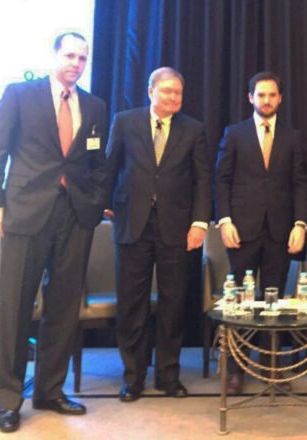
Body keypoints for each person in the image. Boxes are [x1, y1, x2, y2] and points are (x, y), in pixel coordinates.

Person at [0, 32, 109, 433]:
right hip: (25, 212)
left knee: (64, 307)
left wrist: (94, 202)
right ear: (54, 56)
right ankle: (9, 400)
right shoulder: (19, 95)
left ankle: (50, 390)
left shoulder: (94, 105)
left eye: (82, 58)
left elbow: (97, 162)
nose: (75, 64)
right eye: (69, 55)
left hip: (75, 216)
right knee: (16, 307)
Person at [105, 67, 211, 402]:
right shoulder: (125, 122)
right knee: (131, 304)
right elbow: (110, 166)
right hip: (132, 224)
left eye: (178, 92)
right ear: (150, 91)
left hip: (176, 228)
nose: (173, 97)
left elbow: (202, 180)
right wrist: (103, 204)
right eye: (167, 91)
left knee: (173, 304)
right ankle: (133, 377)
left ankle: (168, 376)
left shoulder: (193, 129)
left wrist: (199, 223)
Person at [214, 71, 307, 394]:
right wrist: (224, 220)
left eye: (272, 95)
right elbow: (221, 180)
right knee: (241, 302)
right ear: (250, 98)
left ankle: (272, 366)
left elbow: (299, 183)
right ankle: (237, 370)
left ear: (280, 99)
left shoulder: (293, 137)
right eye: (261, 95)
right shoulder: (234, 134)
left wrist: (300, 224)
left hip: (280, 231)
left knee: (274, 301)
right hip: (242, 230)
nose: (266, 100)